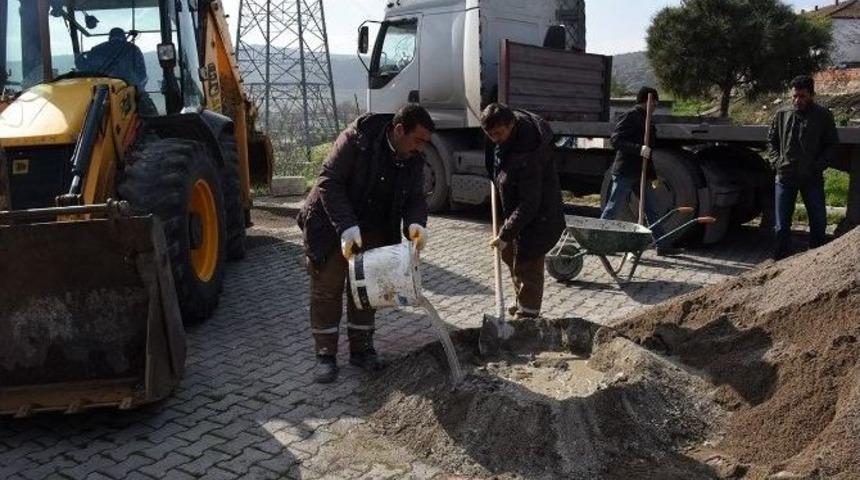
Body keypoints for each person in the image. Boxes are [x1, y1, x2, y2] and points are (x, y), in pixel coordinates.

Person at [297, 104, 435, 384]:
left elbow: (415, 198)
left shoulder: (413, 156)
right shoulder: (357, 140)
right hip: (331, 223)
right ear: (399, 130)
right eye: (418, 140)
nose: (421, 148)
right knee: (327, 289)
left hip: (374, 225)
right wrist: (346, 227)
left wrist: (416, 224)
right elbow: (328, 181)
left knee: (367, 289)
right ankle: (325, 355)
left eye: (425, 142)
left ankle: (361, 350)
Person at [481, 103, 565, 320]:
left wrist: (506, 233)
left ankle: (528, 315)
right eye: (490, 135)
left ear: (512, 124)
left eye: (498, 134)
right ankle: (521, 300)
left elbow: (530, 203)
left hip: (540, 215)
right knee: (509, 254)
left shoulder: (530, 152)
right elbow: (493, 159)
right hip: (518, 206)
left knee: (528, 261)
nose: (494, 139)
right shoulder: (499, 134)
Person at [767, 75, 839, 260]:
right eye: (795, 96)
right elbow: (771, 141)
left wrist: (818, 166)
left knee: (818, 222)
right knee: (781, 225)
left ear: (812, 95)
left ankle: (815, 260)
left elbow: (832, 145)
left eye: (802, 96)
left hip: (811, 178)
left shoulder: (823, 116)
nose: (798, 100)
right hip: (785, 177)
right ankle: (780, 260)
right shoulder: (782, 114)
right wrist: (777, 162)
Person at [601, 86, 674, 255]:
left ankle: (662, 245)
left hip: (641, 174)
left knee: (652, 209)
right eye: (655, 101)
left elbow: (649, 151)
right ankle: (598, 242)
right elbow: (616, 140)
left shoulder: (648, 119)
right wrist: (638, 149)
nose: (656, 105)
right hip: (625, 171)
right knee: (613, 207)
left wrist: (653, 176)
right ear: (648, 100)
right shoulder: (632, 116)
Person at [77, 27, 148, 91]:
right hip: (127, 91)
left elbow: (84, 68)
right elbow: (142, 75)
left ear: (110, 37)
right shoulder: (133, 49)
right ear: (123, 37)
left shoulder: (96, 49)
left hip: (99, 92)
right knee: (144, 100)